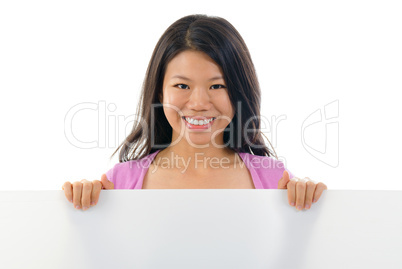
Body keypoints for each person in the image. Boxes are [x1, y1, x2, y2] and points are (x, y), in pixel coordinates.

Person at [62, 14, 327, 211]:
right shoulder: (120, 181)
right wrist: (82, 205)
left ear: (239, 93)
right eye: (182, 85)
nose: (199, 102)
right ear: (159, 93)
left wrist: (312, 201)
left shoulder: (275, 179)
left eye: (217, 85)